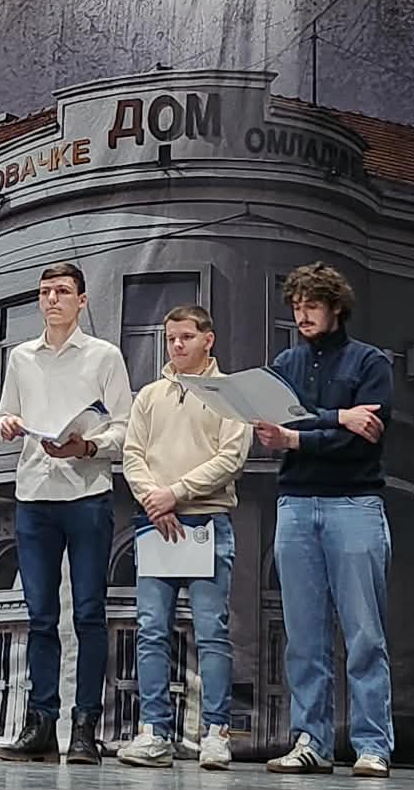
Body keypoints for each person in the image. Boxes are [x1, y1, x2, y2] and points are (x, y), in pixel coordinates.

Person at [0, 263, 134, 766]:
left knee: (90, 613)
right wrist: (8, 424)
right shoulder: (21, 357)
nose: (52, 299)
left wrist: (87, 445)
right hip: (34, 493)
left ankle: (86, 727)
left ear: (82, 300)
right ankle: (41, 724)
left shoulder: (104, 356)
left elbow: (124, 429)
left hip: (87, 492)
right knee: (41, 616)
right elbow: (5, 416)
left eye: (62, 292)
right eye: (45, 292)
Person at [253, 262, 393, 778]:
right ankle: (311, 741)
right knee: (304, 638)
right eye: (296, 306)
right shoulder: (285, 363)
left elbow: (363, 438)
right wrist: (338, 417)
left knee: (364, 634)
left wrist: (299, 435)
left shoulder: (370, 362)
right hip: (295, 504)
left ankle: (372, 745)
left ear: (336, 307)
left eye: (311, 305)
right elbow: (280, 422)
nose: (302, 314)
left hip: (354, 503)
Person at [117, 305, 248, 770]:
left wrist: (175, 492)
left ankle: (215, 733)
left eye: (186, 336)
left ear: (208, 340)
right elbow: (132, 454)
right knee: (151, 631)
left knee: (212, 633)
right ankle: (155, 733)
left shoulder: (230, 394)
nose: (176, 344)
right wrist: (153, 499)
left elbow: (231, 458)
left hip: (206, 521)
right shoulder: (150, 395)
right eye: (171, 337)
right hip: (156, 522)